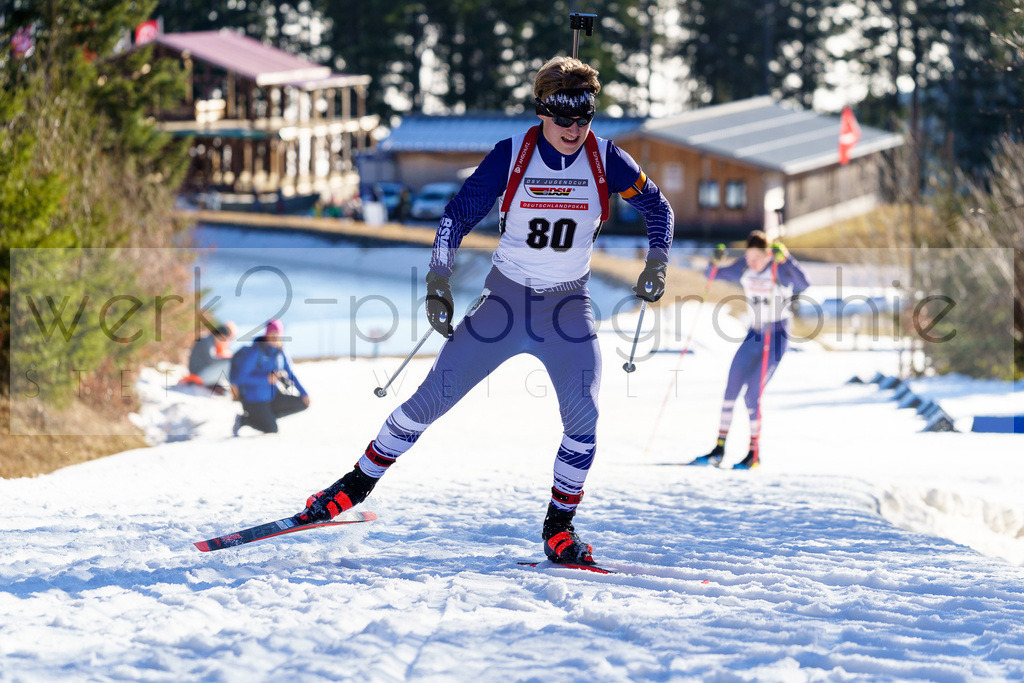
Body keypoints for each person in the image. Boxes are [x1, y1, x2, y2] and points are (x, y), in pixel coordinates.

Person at [292, 56, 674, 565]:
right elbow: (457, 215)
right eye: (563, 119)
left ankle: (559, 529)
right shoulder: (512, 155)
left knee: (584, 419)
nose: (573, 130)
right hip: (505, 304)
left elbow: (659, 209)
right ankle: (349, 490)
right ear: (542, 112)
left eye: (584, 119)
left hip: (567, 309)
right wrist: (438, 278)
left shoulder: (607, 160)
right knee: (428, 401)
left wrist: (658, 263)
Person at [689, 231, 809, 470]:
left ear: (767, 255)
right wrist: (715, 261)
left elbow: (804, 284)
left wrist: (787, 259)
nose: (752, 263)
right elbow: (711, 274)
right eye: (749, 258)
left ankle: (754, 454)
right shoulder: (744, 266)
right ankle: (719, 448)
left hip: (776, 336)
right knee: (731, 386)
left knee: (752, 394)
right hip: (754, 334)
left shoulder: (778, 268)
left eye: (756, 258)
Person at [232, 319, 310, 435]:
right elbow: (240, 378)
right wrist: (266, 379)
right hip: (254, 400)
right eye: (272, 333)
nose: (275, 336)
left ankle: (266, 417)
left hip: (272, 397)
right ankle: (244, 419)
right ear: (266, 334)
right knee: (272, 429)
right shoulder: (256, 352)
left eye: (277, 334)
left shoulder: (280, 352)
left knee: (303, 403)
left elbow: (291, 374)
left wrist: (304, 393)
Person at [186, 321, 236, 392]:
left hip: (200, 372)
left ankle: (233, 390)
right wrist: (230, 359)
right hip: (199, 374)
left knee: (229, 365)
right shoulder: (206, 340)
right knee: (229, 366)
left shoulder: (209, 340)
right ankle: (236, 391)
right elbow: (211, 360)